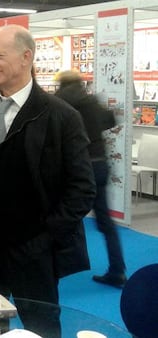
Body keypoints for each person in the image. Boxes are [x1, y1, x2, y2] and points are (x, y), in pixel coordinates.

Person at [0, 24, 96, 337]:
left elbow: (82, 190)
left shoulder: (61, 117)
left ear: (26, 58)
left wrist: (45, 240)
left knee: (41, 328)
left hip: (32, 252)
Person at [55, 70, 127, 288]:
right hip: (99, 164)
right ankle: (117, 270)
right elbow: (111, 120)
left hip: (74, 168)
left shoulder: (58, 102)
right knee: (105, 220)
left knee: (60, 217)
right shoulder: (92, 101)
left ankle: (53, 270)